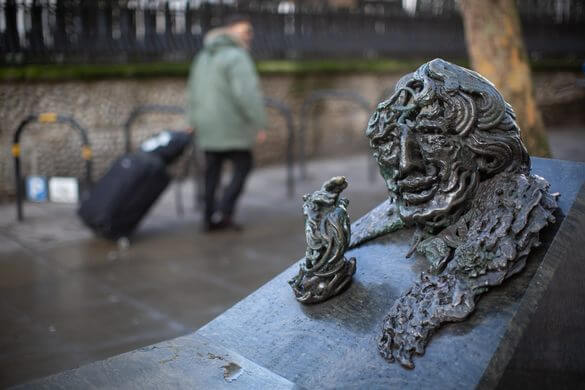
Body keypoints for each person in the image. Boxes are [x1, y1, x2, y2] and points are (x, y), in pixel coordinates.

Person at [187, 15, 266, 232]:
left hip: (207, 125)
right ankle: (225, 210)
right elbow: (247, 94)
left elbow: (192, 89)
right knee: (244, 165)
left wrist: (191, 120)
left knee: (212, 171)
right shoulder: (237, 56)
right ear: (230, 32)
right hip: (232, 125)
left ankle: (208, 217)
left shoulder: (203, 55)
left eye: (250, 31)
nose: (249, 35)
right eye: (245, 31)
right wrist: (259, 123)